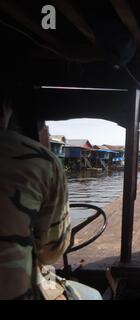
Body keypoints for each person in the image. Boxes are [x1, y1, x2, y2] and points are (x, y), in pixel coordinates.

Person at [0, 85, 101, 300]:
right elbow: (50, 253)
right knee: (92, 296)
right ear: (6, 108)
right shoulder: (40, 161)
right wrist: (45, 153)